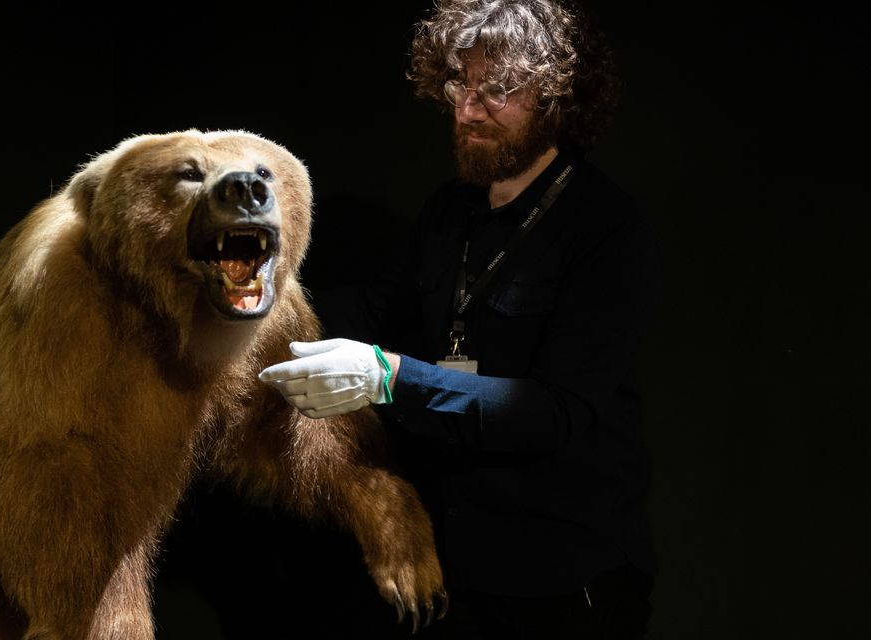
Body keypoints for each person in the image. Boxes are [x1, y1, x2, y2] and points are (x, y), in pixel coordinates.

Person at [259, 0, 658, 637]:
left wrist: (389, 377)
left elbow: (555, 411)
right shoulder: (449, 211)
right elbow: (370, 310)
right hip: (456, 575)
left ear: (556, 96)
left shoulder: (606, 228)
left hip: (564, 584)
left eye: (496, 90)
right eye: (459, 86)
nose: (468, 111)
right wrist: (257, 298)